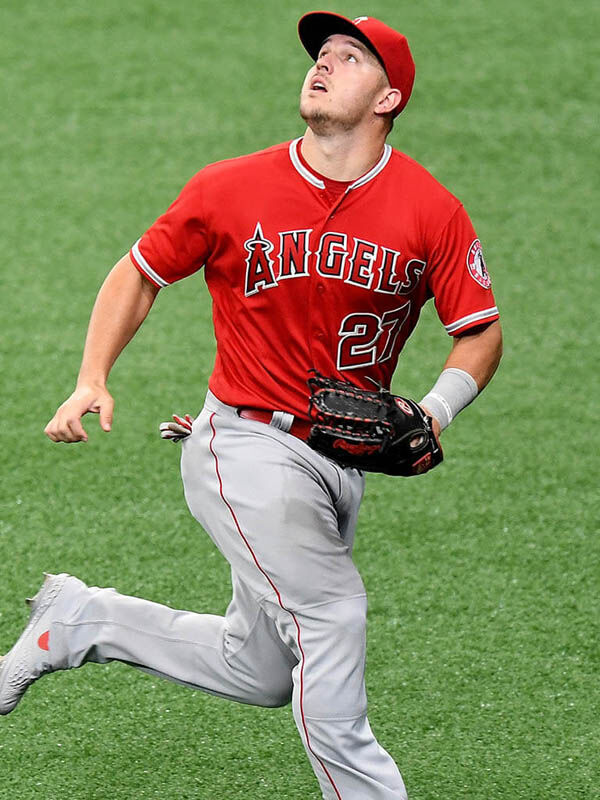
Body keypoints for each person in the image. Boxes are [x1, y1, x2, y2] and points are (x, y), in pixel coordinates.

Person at [0, 11, 502, 800]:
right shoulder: (230, 186)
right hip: (244, 446)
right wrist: (92, 374)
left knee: (261, 667)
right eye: (321, 54)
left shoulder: (430, 209)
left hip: (341, 465)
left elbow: (479, 331)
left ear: (388, 97)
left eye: (350, 57)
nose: (324, 65)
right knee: (332, 616)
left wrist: (435, 410)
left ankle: (81, 621)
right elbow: (139, 272)